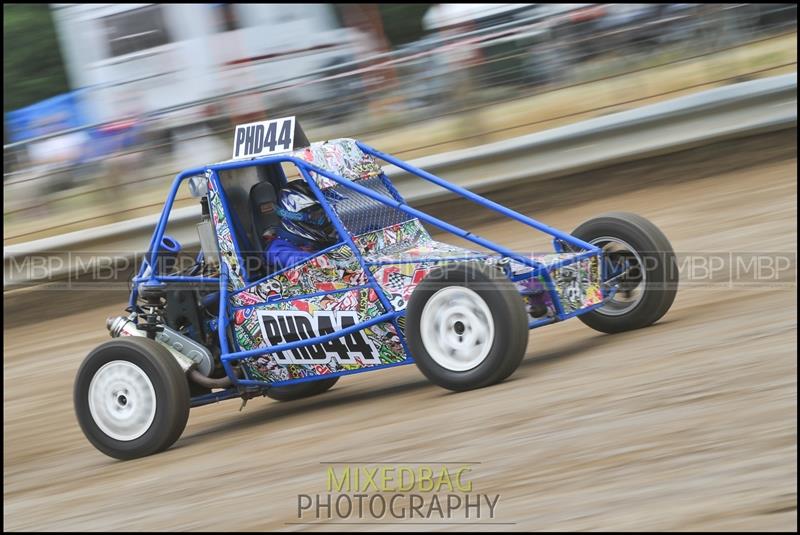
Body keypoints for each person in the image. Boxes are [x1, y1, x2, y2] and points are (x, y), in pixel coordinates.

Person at [263, 180, 338, 270]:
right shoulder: (277, 251)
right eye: (318, 216)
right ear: (293, 217)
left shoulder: (313, 243)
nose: (326, 219)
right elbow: (309, 264)